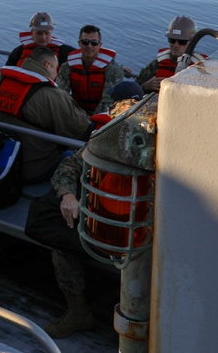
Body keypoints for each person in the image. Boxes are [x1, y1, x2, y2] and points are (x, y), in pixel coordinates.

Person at [25, 81, 145, 339]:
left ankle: (141, 326)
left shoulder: (157, 150)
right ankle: (78, 311)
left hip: (139, 231)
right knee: (60, 241)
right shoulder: (107, 136)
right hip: (99, 219)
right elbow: (69, 166)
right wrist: (67, 195)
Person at [0, 46, 92, 183]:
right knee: (71, 154)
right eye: (56, 69)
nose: (57, 73)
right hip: (30, 170)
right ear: (47, 65)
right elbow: (83, 131)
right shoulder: (55, 97)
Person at [56, 24, 124, 114]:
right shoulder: (67, 66)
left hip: (101, 114)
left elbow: (108, 101)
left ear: (100, 45)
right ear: (79, 43)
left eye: (94, 42)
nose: (89, 46)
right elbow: (61, 94)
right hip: (75, 112)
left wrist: (93, 122)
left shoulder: (113, 69)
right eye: (85, 42)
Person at [135, 15, 207, 93]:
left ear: (192, 42)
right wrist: (146, 86)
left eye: (182, 42)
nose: (175, 45)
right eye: (172, 40)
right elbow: (136, 85)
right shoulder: (157, 63)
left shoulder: (200, 67)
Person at [6, 11, 74, 67]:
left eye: (47, 33)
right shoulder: (18, 52)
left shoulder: (65, 52)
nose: (43, 37)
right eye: (39, 33)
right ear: (32, 33)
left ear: (52, 32)